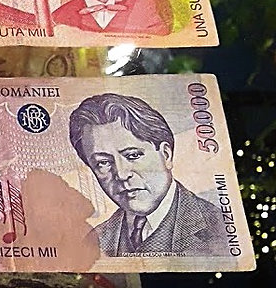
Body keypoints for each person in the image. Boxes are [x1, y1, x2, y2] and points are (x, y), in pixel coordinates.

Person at [68, 93, 225, 256]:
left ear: (166, 155)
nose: (121, 174)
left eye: (133, 155)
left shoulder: (219, 228)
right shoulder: (93, 242)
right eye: (103, 163)